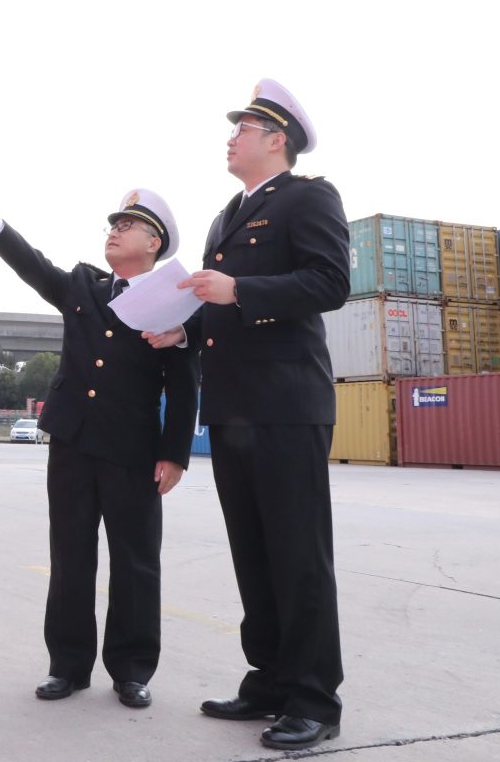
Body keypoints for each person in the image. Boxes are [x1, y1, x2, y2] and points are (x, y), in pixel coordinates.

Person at [149, 79, 350, 749]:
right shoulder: (225, 216)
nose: (231, 136)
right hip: (233, 409)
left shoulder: (309, 197)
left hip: (287, 406)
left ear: (277, 139)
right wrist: (183, 335)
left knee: (298, 555)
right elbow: (222, 311)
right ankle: (269, 680)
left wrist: (241, 289)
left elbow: (330, 284)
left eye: (244, 127)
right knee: (255, 556)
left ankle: (315, 699)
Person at [0, 181, 198, 708]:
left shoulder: (174, 303)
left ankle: (132, 670)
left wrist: (174, 453)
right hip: (72, 443)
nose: (114, 231)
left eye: (126, 225)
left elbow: (184, 383)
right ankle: (67, 665)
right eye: (112, 224)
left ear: (154, 243)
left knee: (135, 561)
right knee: (70, 557)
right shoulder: (85, 284)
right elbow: (35, 268)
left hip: (133, 450)